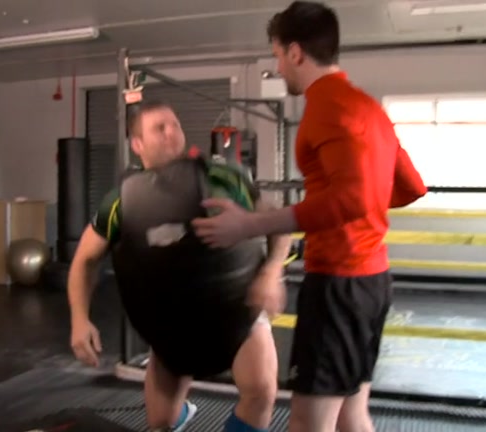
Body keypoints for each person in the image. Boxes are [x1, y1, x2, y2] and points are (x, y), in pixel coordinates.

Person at [190, 2, 428, 432]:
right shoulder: (368, 108)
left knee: (307, 422)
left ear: (296, 52)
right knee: (352, 415)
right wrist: (363, 205)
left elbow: (351, 200)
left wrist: (249, 224)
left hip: (338, 285)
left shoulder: (326, 106)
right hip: (374, 282)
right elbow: (409, 185)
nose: (278, 67)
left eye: (278, 56)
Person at [67, 100, 293, 432]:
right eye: (160, 128)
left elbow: (278, 223)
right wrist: (79, 320)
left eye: (175, 124)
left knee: (260, 391)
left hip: (236, 311)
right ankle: (181, 413)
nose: (172, 132)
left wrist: (273, 273)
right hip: (170, 326)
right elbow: (85, 258)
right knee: (160, 424)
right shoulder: (121, 200)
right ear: (137, 144)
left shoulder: (226, 179)